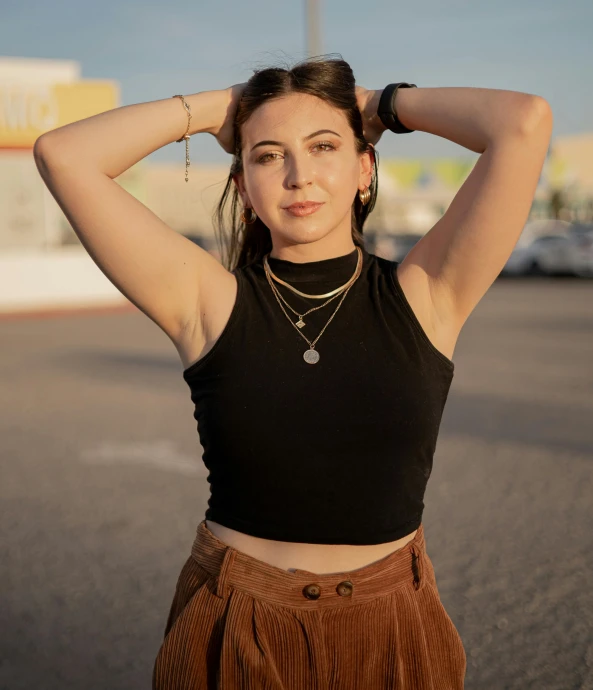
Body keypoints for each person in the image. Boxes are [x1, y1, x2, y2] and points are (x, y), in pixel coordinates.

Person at [34, 54, 553, 689]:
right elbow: (64, 154)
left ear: (365, 168)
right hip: (237, 619)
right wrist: (219, 107)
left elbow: (524, 123)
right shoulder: (210, 301)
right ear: (245, 187)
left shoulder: (426, 294)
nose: (298, 175)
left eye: (324, 145)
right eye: (268, 155)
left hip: (391, 623)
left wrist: (383, 104)